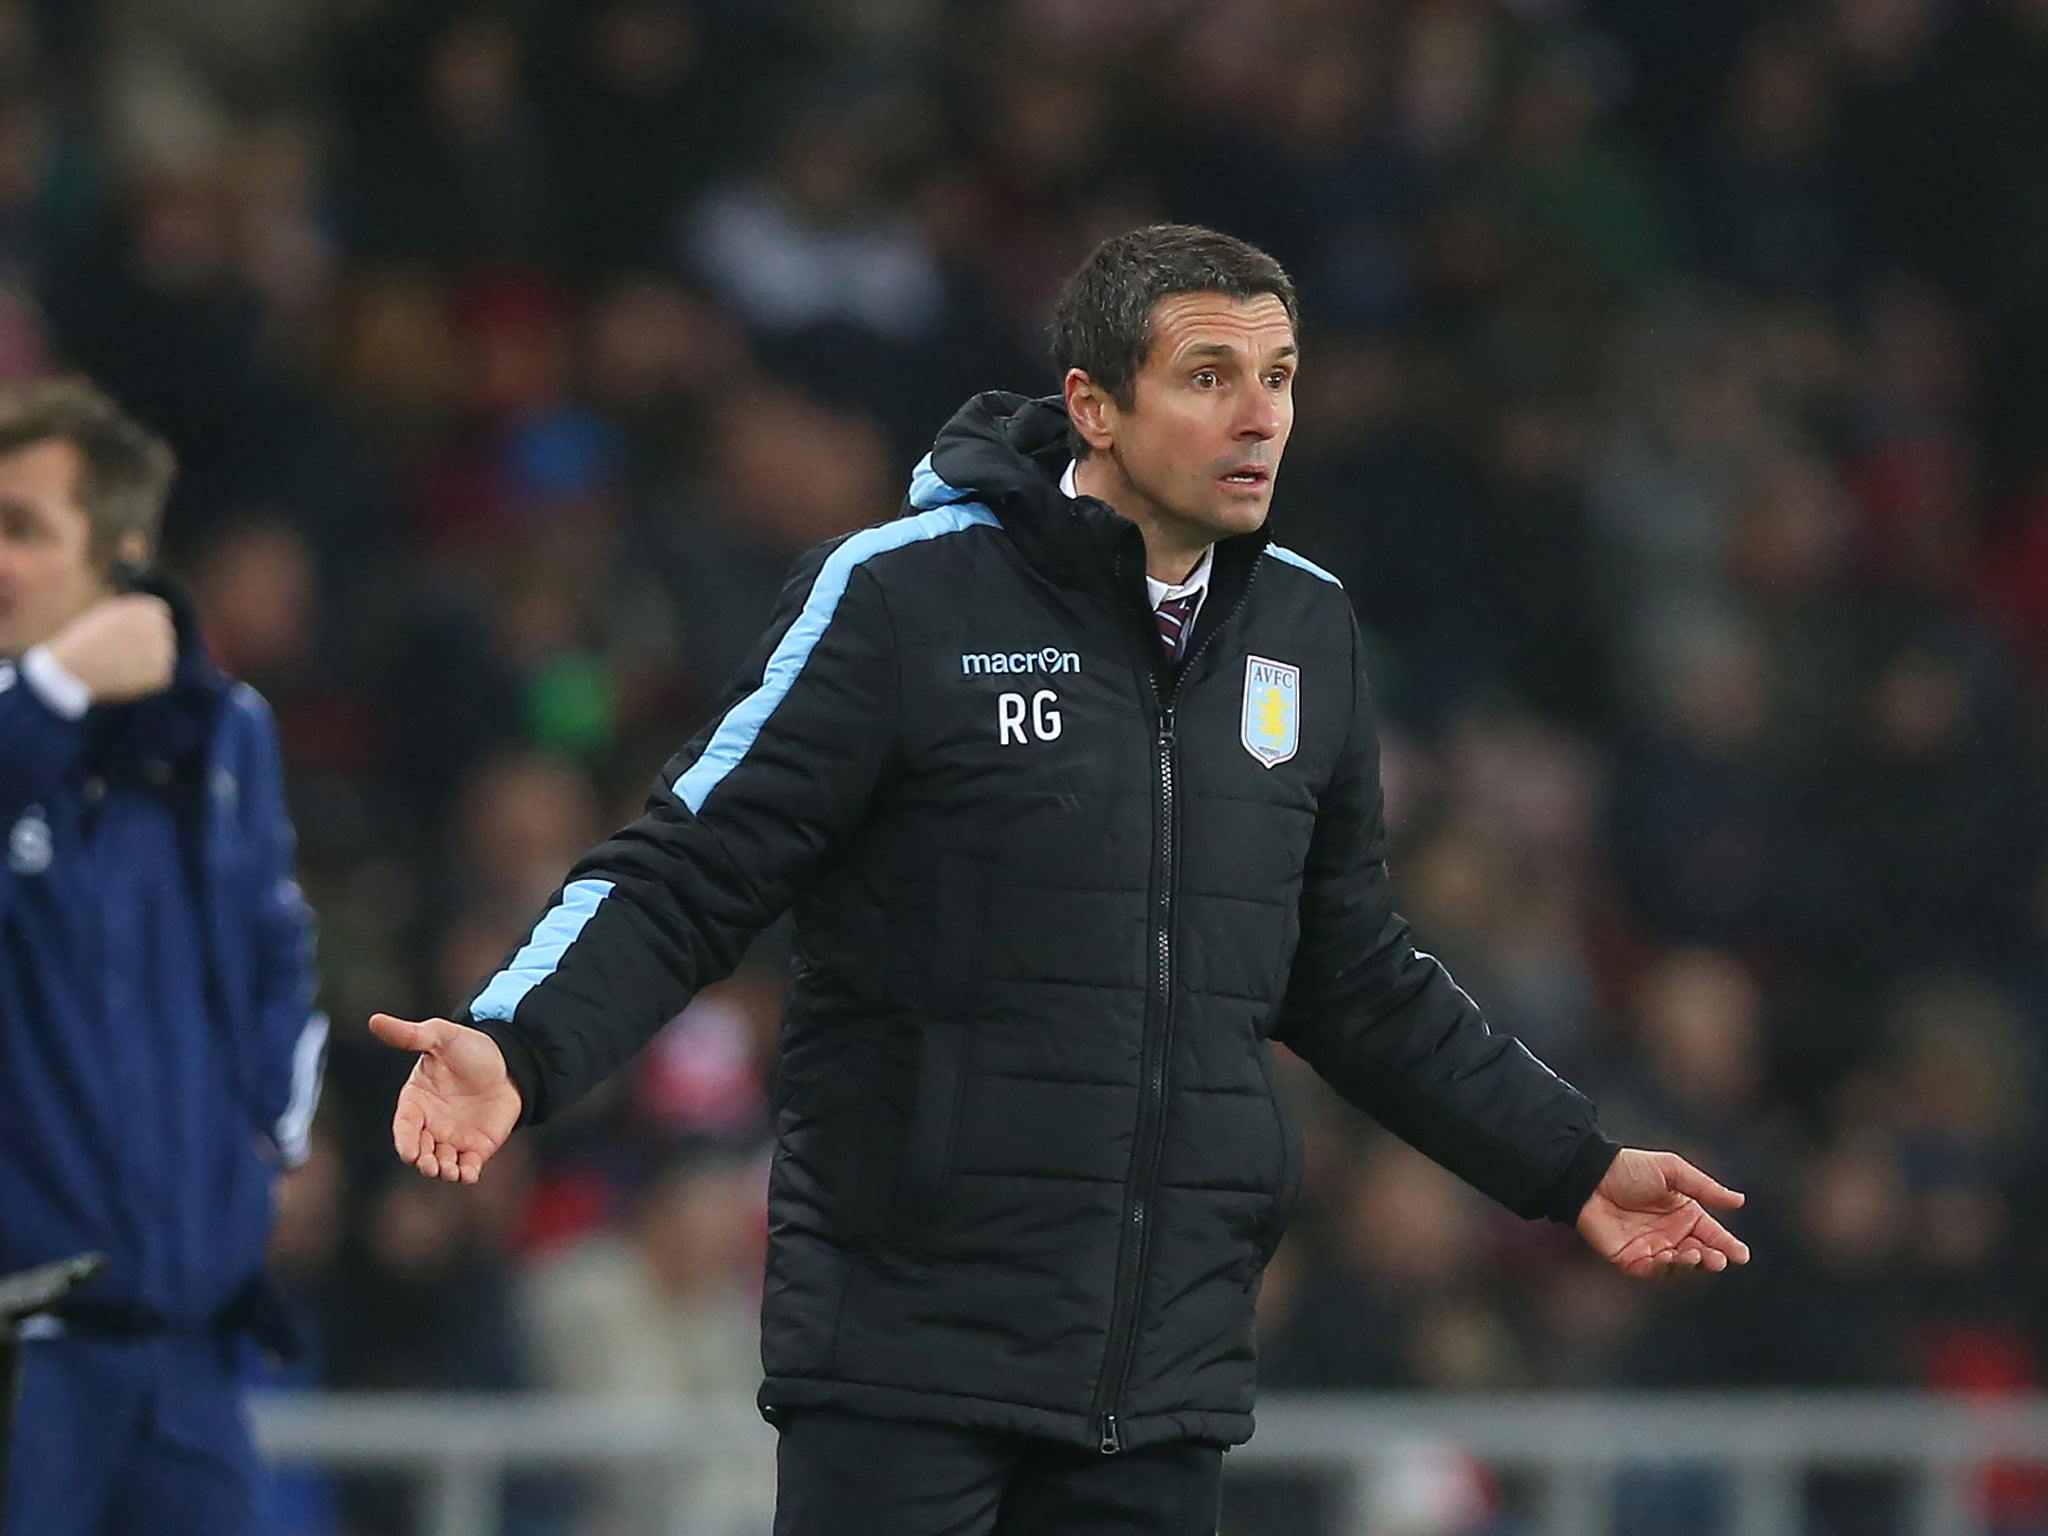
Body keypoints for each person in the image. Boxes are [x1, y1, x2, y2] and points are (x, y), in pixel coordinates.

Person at [372, 225, 1749, 1535]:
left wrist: (1569, 1165)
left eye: (1277, 379)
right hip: (904, 1355)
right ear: (1094, 406)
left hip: (1160, 1381)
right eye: (1209, 379)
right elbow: (689, 868)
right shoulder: (901, 598)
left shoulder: (1306, 631)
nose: (1259, 417)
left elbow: (1355, 975)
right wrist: (516, 1044)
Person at [0, 379, 325, 1536]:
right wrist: (51, 695)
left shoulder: (222, 733)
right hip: (19, 1346)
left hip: (186, 1339)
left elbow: (274, 951)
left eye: (25, 528)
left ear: (123, 554)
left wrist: (262, 1149)